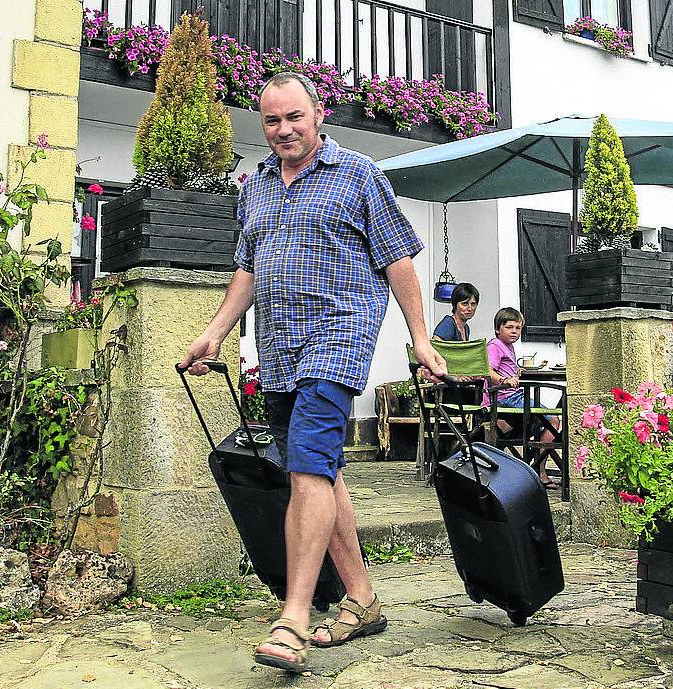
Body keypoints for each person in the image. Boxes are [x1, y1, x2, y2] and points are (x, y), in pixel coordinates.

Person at [178, 72, 445, 674]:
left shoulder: (359, 176)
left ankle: (293, 617)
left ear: (318, 113)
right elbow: (246, 271)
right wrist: (214, 333)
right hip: (277, 350)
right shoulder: (255, 189)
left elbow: (398, 260)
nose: (284, 130)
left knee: (305, 471)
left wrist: (421, 337)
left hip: (338, 341)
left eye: (294, 117)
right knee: (320, 473)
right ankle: (363, 599)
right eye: (272, 121)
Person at [485, 307, 562, 489]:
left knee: (539, 423)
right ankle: (539, 469)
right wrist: (505, 379)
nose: (514, 332)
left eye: (518, 328)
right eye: (509, 327)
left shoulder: (507, 347)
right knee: (552, 419)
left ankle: (535, 462)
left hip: (512, 396)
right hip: (506, 398)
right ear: (498, 328)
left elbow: (502, 367)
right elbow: (487, 370)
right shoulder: (495, 346)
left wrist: (515, 371)